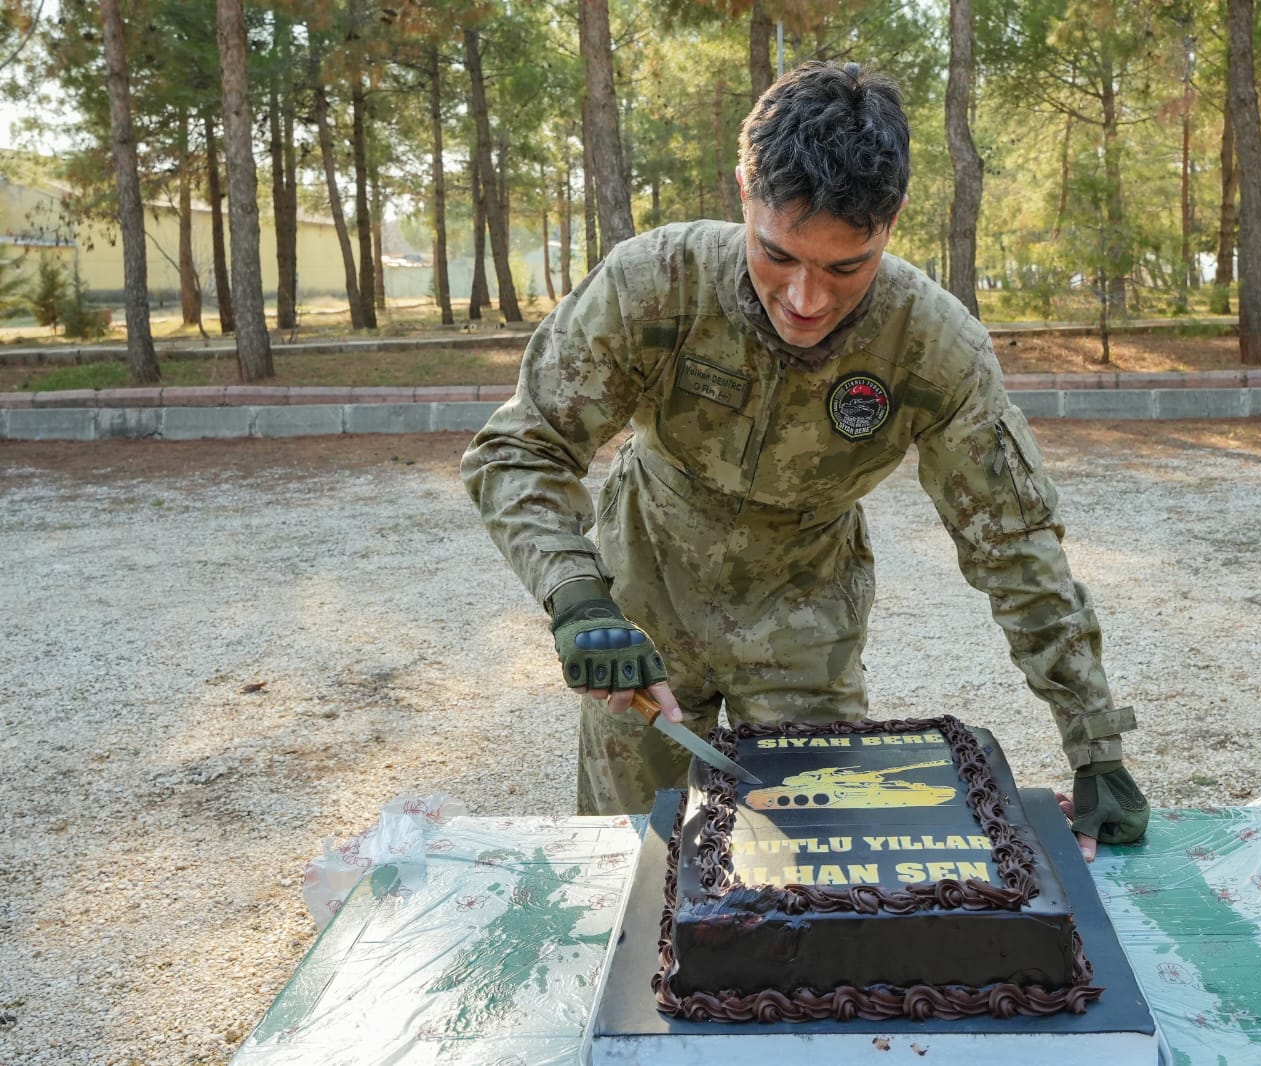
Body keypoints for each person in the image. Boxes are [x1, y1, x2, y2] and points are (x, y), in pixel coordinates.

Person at [461, 61, 1147, 859]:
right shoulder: (658, 283)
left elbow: (1015, 544)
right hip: (640, 600)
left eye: (845, 268)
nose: (806, 299)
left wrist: (1096, 743)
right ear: (744, 195)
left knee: (810, 869)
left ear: (887, 227)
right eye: (778, 255)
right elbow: (521, 447)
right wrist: (578, 598)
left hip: (806, 621)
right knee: (629, 859)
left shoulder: (933, 345)